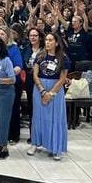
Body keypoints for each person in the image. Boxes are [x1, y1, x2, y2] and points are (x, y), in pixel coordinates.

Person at [28, 32, 70, 160]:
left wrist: (50, 93)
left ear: (56, 43)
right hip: (39, 87)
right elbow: (35, 75)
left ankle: (56, 147)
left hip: (55, 90)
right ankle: (35, 143)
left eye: (50, 40)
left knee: (55, 118)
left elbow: (63, 79)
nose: (47, 42)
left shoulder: (63, 58)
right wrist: (42, 91)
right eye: (46, 40)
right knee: (38, 116)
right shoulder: (40, 55)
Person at [0, 27, 24, 144]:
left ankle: (13, 135)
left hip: (11, 84)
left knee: (13, 110)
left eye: (2, 33)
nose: (0, 35)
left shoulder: (13, 48)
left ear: (8, 36)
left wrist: (9, 74)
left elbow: (18, 66)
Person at [20, 28, 44, 142]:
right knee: (32, 108)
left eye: (35, 35)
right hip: (29, 80)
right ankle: (32, 134)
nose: (33, 37)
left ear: (40, 37)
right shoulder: (26, 49)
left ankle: (43, 134)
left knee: (42, 107)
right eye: (31, 35)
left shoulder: (44, 50)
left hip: (42, 80)